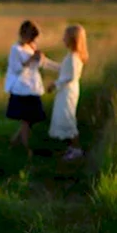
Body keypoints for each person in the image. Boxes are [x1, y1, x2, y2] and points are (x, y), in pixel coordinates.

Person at [44, 25, 89, 161]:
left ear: (72, 39)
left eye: (65, 37)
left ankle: (76, 150)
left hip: (68, 92)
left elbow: (71, 76)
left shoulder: (75, 57)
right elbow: (62, 69)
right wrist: (45, 62)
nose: (63, 39)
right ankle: (71, 147)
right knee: (63, 117)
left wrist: (55, 84)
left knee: (68, 118)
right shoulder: (70, 56)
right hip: (65, 91)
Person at [5, 20, 47, 154]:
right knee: (26, 119)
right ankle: (25, 147)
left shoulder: (32, 47)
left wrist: (39, 59)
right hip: (21, 89)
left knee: (31, 119)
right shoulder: (15, 49)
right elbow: (17, 68)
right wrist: (31, 59)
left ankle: (15, 142)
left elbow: (37, 66)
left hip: (33, 88)